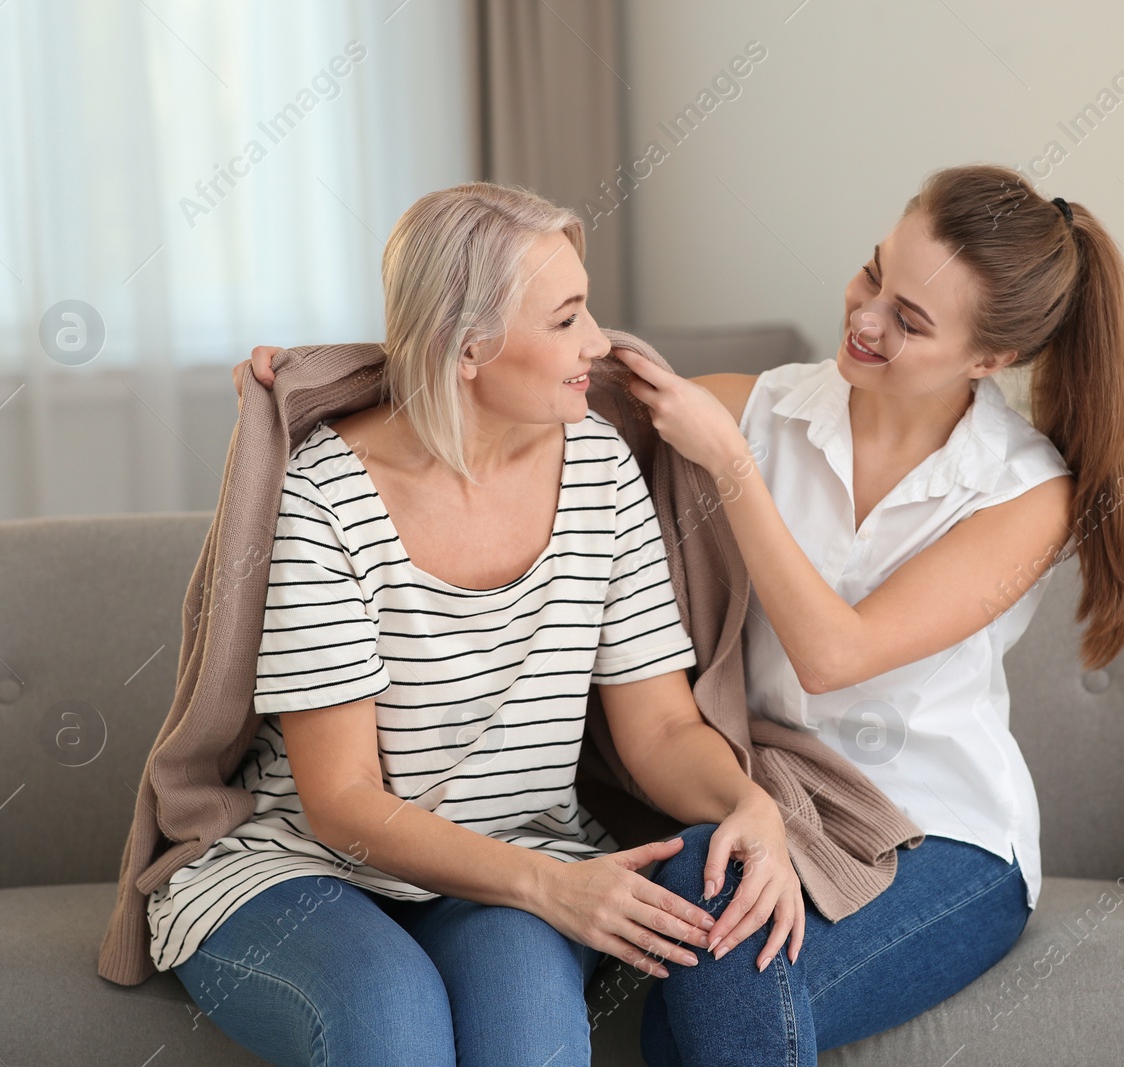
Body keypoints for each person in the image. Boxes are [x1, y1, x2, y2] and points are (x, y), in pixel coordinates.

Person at [237, 164, 1124, 1066]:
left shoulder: (1027, 491)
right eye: (874, 274)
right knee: (698, 956)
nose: (867, 317)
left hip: (937, 826)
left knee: (707, 1007)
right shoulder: (754, 406)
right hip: (770, 800)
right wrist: (314, 379)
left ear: (992, 360)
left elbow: (838, 652)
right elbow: (510, 371)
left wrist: (732, 467)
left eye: (910, 321)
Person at [169, 182, 803, 1067]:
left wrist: (753, 805)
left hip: (514, 864)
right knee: (391, 1022)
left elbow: (659, 728)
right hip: (306, 868)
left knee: (530, 1044)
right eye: (567, 319)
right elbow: (342, 801)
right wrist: (551, 886)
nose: (600, 343)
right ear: (467, 346)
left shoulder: (598, 466)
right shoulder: (326, 494)